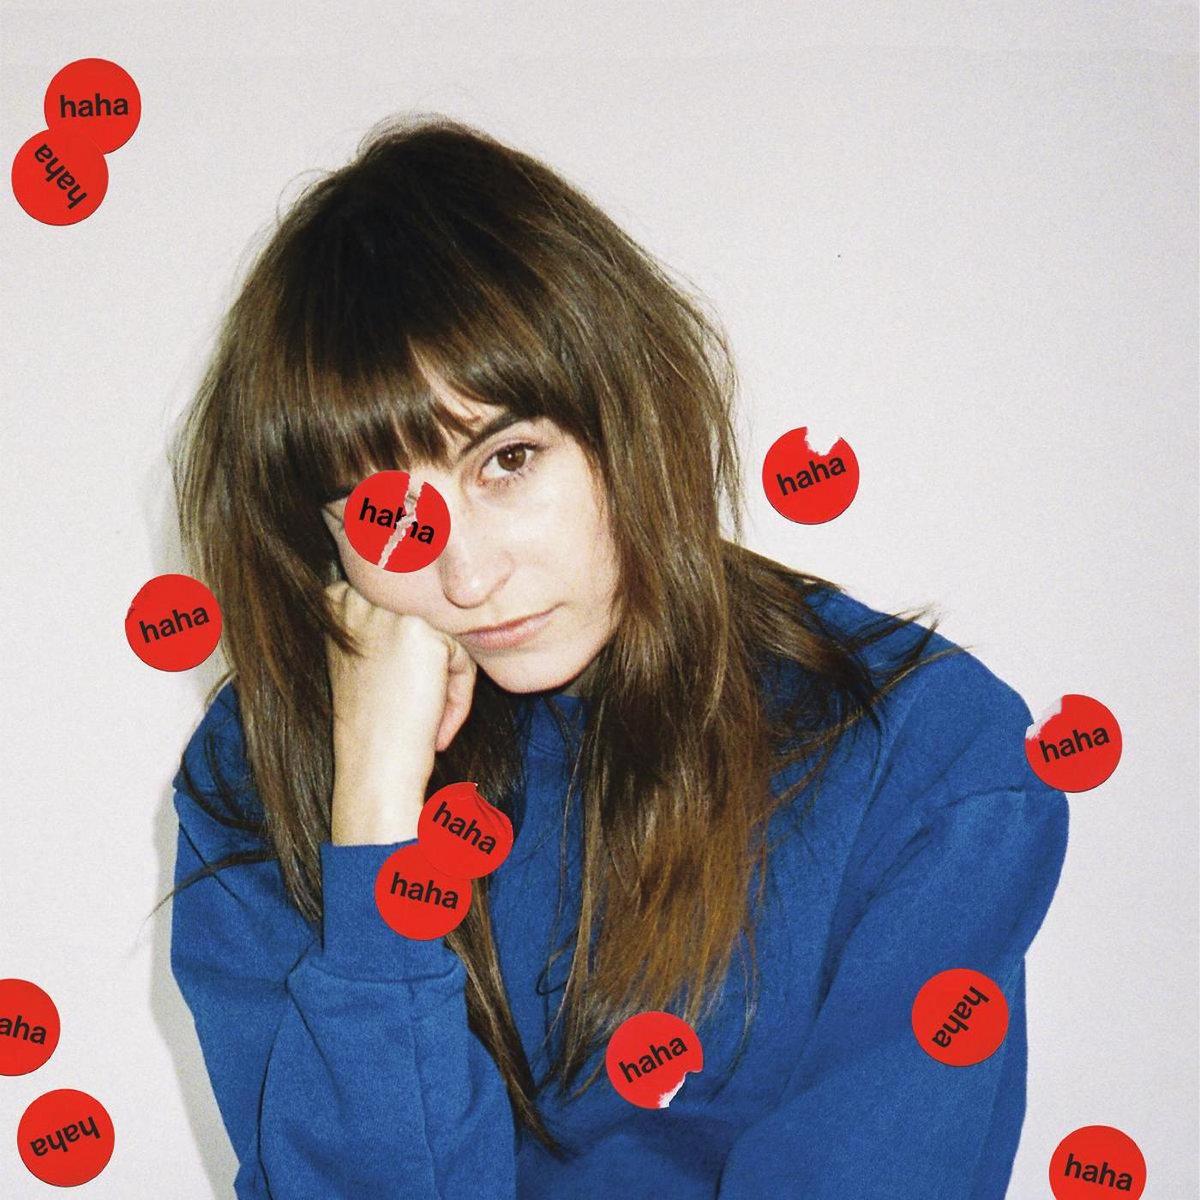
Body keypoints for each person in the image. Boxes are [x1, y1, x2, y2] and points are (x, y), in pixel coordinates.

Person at [167, 114, 1069, 1199]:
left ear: (624, 410)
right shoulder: (260, 768)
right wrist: (372, 833)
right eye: (384, 514)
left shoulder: (924, 752)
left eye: (508, 460)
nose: (466, 575)